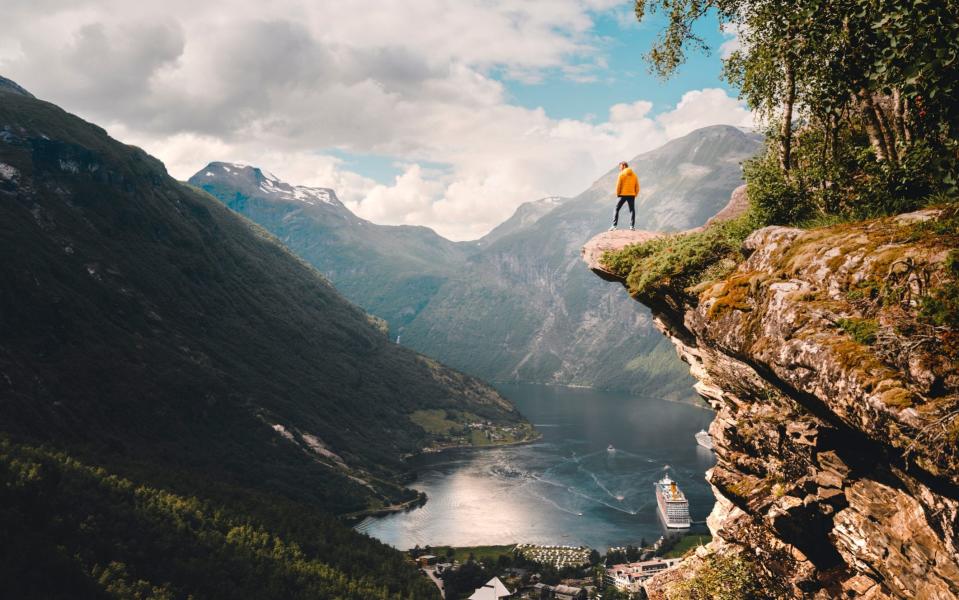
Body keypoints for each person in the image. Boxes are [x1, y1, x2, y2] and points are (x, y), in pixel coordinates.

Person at [609, 161, 639, 231]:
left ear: (624, 166)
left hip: (622, 194)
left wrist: (617, 194)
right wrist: (635, 194)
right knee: (632, 210)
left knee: (616, 209)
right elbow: (637, 186)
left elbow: (618, 185)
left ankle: (614, 226)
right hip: (631, 195)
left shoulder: (621, 174)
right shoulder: (634, 175)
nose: (620, 168)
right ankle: (632, 226)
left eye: (620, 166)